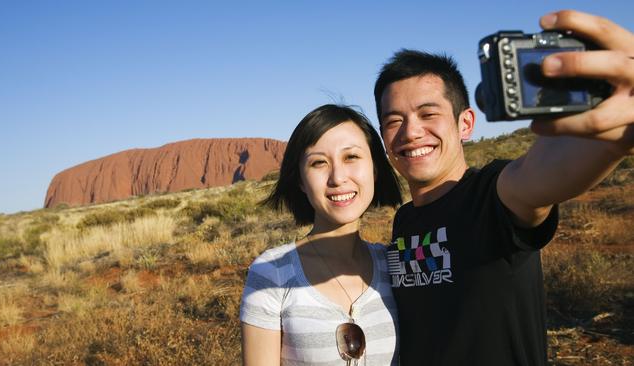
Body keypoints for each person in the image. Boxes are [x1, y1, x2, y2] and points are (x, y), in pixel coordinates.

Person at [373, 9, 634, 366]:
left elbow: (540, 174)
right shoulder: (404, 221)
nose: (410, 132)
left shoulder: (493, 195)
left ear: (465, 123)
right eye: (394, 120)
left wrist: (613, 138)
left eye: (428, 114)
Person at [240, 104, 404, 365]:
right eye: (319, 163)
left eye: (351, 157)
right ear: (301, 182)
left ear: (374, 168)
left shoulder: (394, 265)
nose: (338, 177)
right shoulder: (272, 273)